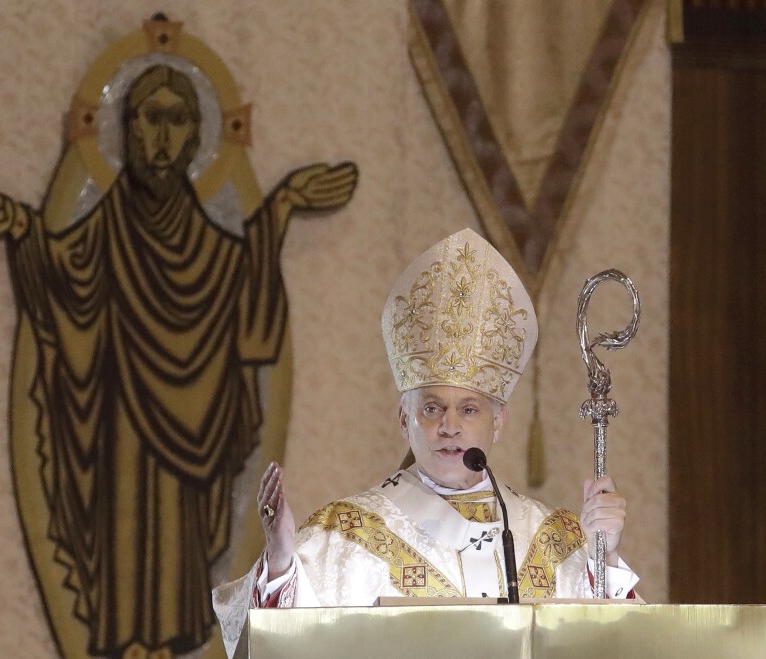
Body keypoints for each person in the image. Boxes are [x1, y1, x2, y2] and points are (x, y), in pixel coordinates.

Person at [0, 64, 357, 658]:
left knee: (177, 556)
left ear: (195, 137)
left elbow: (249, 326)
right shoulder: (103, 233)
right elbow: (63, 284)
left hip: (192, 473)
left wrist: (285, 206)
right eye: (149, 118)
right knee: (125, 535)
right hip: (119, 447)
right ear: (126, 130)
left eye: (177, 121)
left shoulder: (214, 251)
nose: (161, 138)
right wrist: (18, 227)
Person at [212, 228, 638, 658]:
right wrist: (282, 561)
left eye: (469, 410)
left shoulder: (556, 540)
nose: (450, 426)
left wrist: (608, 558)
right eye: (432, 409)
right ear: (404, 420)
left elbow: (619, 646)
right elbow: (264, 646)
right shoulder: (342, 536)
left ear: (499, 422)